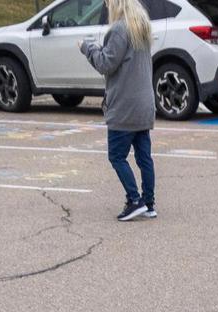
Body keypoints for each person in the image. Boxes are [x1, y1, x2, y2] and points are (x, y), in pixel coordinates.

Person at [81, 0, 156, 223]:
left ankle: (134, 200)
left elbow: (106, 64)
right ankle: (149, 203)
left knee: (116, 156)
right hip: (144, 104)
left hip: (125, 106)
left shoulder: (120, 29)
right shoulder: (141, 26)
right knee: (144, 158)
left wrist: (87, 48)